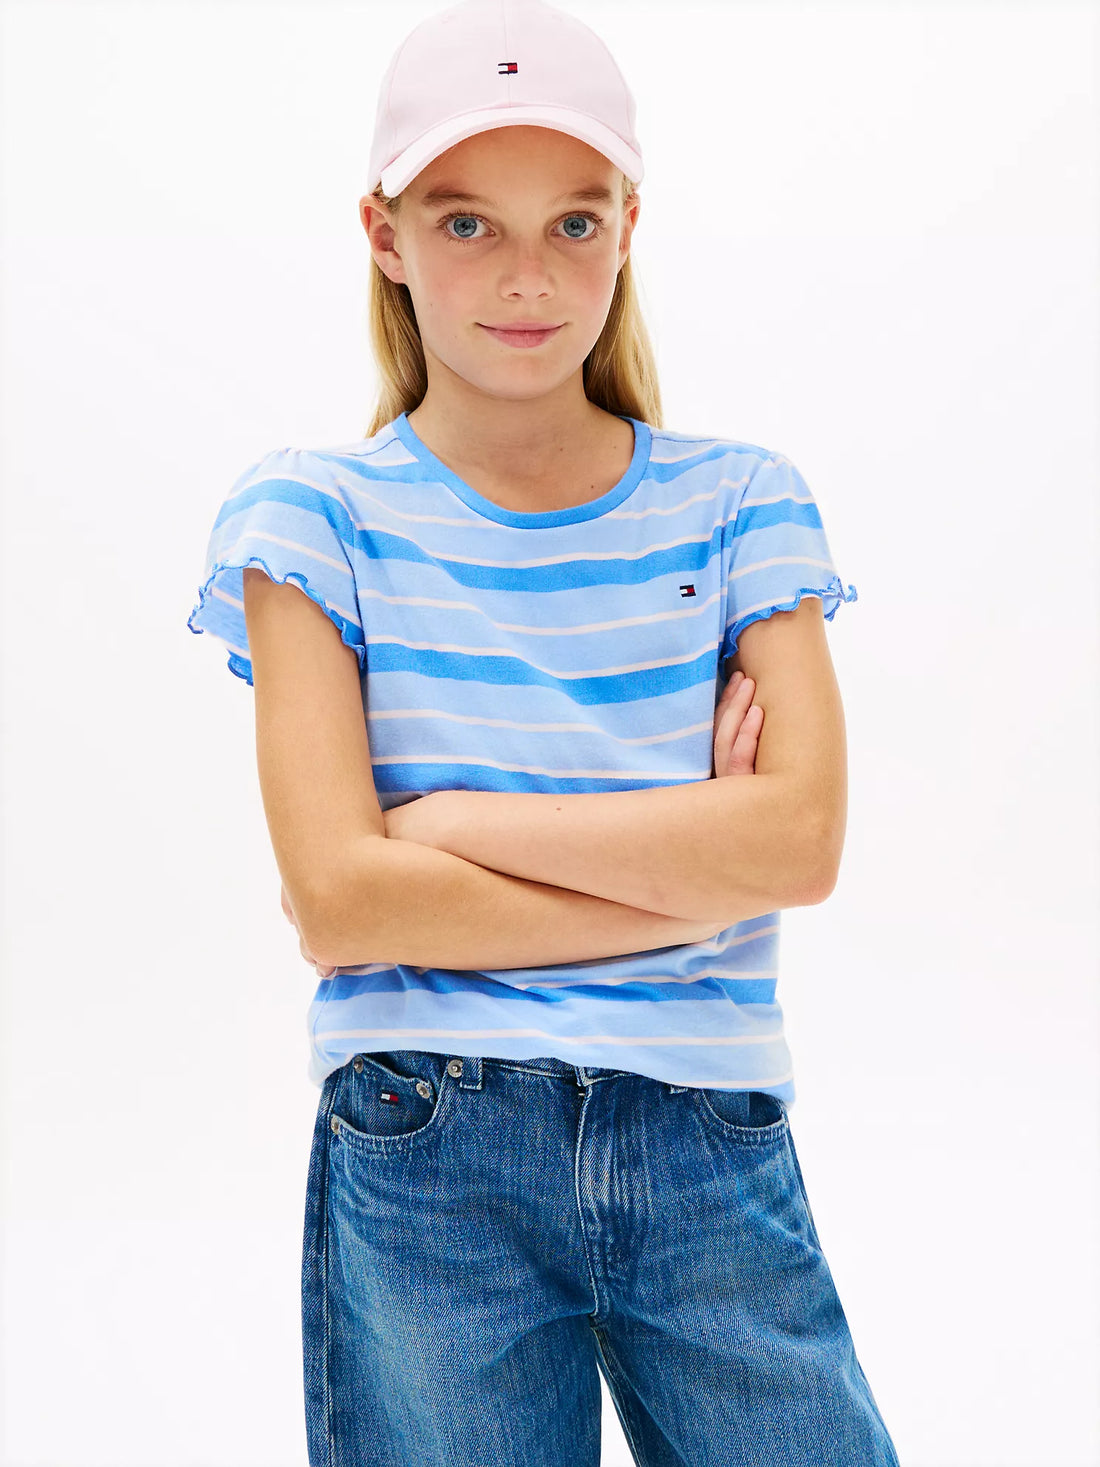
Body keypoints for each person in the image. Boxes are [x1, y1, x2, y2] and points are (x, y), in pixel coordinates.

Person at [186, 1, 900, 1462]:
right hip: (426, 1147)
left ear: (630, 226)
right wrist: (686, 884)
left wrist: (452, 830)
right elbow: (341, 900)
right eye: (468, 224)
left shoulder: (739, 501)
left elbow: (799, 844)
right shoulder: (313, 520)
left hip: (707, 1133)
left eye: (574, 223)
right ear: (384, 234)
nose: (527, 277)